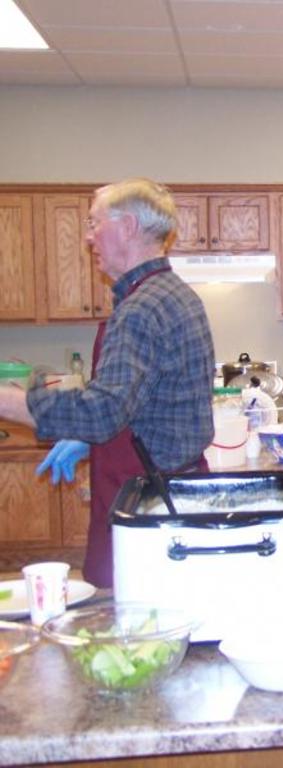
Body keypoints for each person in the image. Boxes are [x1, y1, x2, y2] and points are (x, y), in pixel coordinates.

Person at [0, 178, 215, 588]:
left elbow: (102, 413)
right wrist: (92, 441)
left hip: (148, 504)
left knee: (137, 613)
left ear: (128, 226)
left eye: (94, 223)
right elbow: (150, 402)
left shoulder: (141, 308)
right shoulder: (174, 294)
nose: (88, 237)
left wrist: (8, 401)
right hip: (172, 490)